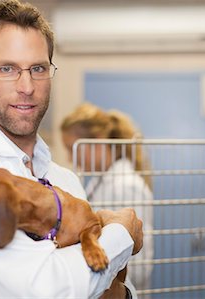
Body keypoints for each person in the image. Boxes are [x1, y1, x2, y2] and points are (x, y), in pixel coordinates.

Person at [0, 1, 143, 298]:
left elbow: (104, 287)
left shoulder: (65, 180)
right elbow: (39, 290)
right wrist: (121, 234)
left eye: (38, 68)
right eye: (7, 68)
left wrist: (121, 293)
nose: (26, 86)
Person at [61, 103, 154, 293]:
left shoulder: (127, 185)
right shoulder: (98, 182)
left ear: (97, 140)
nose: (71, 158)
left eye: (72, 148)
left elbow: (140, 265)